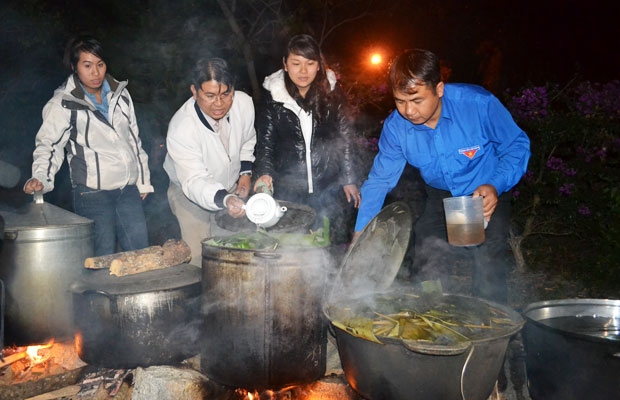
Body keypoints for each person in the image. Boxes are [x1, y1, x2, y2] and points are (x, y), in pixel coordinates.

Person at [354, 49, 531, 303]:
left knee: (489, 264)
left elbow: (516, 146)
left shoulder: (478, 105)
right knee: (426, 259)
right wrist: (362, 232)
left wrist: (495, 184)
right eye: (399, 101)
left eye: (416, 100)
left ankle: (487, 329)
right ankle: (429, 314)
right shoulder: (396, 127)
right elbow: (380, 180)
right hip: (440, 195)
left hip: (487, 191)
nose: (408, 111)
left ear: (439, 88)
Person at [24, 35, 153, 257]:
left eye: (100, 64)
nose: (96, 72)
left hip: (127, 191)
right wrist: (41, 178)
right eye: (87, 65)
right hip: (92, 195)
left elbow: (134, 141)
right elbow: (49, 145)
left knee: (140, 253)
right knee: (101, 257)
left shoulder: (120, 95)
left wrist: (142, 182)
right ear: (75, 67)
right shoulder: (63, 104)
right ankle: (98, 293)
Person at [253, 34, 361, 245]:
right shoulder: (273, 98)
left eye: (310, 63)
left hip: (327, 185)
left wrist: (349, 177)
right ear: (285, 64)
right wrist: (264, 173)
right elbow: (265, 143)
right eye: (296, 63)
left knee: (327, 245)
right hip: (289, 188)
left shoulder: (331, 93)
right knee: (292, 247)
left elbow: (345, 135)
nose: (303, 71)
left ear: (319, 66)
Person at [163, 57, 256, 265]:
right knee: (201, 258)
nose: (219, 104)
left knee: (229, 253)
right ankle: (200, 296)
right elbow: (195, 180)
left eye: (226, 94)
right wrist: (226, 199)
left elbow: (248, 140)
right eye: (210, 96)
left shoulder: (244, 104)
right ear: (195, 92)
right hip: (189, 193)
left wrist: (245, 174)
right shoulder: (182, 128)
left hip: (229, 185)